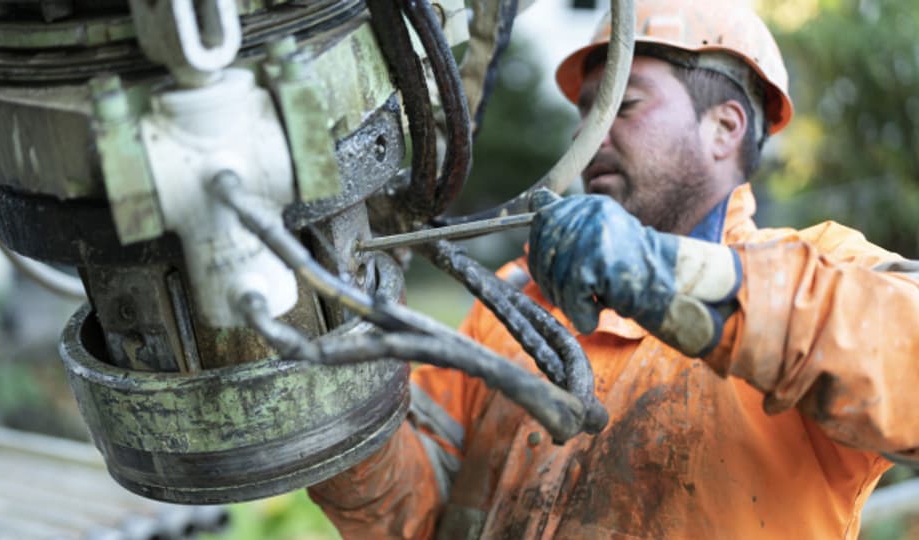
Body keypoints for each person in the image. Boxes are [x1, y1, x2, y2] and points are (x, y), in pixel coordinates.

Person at [308, 0, 919, 537]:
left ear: (724, 127)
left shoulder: (818, 268)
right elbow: (418, 517)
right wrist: (340, 419)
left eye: (621, 105)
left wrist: (668, 279)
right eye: (583, 114)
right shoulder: (517, 306)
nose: (588, 134)